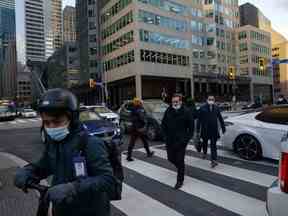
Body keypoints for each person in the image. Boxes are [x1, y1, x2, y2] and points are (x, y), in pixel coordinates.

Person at [14, 89, 117, 216]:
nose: (51, 127)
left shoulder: (91, 144)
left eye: (56, 122)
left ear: (72, 119)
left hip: (91, 211)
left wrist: (72, 188)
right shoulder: (53, 143)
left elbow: (107, 180)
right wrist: (28, 171)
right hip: (62, 210)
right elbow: (44, 165)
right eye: (46, 122)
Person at [162, 94, 194, 189]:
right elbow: (163, 124)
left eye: (176, 101)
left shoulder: (186, 111)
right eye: (173, 102)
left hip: (181, 141)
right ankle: (181, 169)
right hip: (170, 140)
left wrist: (186, 139)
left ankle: (180, 180)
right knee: (170, 158)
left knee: (180, 160)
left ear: (180, 101)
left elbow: (191, 128)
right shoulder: (168, 110)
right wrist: (165, 136)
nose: (174, 103)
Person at [197, 94, 226, 168]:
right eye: (210, 99)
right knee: (205, 143)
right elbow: (199, 120)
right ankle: (204, 152)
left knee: (213, 146)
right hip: (205, 130)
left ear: (214, 100)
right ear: (207, 100)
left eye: (212, 99)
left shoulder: (216, 108)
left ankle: (214, 160)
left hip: (214, 130)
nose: (211, 101)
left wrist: (223, 128)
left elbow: (220, 118)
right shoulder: (202, 108)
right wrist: (197, 130)